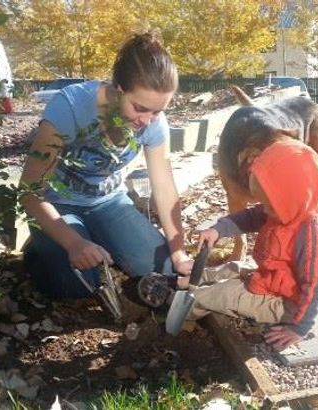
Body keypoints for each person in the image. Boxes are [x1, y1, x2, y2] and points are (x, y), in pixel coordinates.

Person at [21, 32, 193, 300]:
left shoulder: (154, 123)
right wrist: (73, 242)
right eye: (140, 108)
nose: (147, 120)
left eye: (158, 111)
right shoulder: (71, 107)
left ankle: (96, 237)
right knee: (78, 286)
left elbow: (165, 188)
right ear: (119, 89)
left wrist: (179, 249)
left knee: (167, 269)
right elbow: (29, 193)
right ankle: (40, 249)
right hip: (57, 205)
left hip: (109, 203)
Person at [194, 140, 318, 351]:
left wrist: (299, 328)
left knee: (226, 294)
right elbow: (251, 217)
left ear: (291, 198)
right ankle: (189, 279)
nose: (265, 211)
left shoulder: (314, 236)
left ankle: (180, 302)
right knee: (233, 268)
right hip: (277, 278)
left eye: (270, 206)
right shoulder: (292, 205)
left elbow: (316, 286)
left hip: (291, 301)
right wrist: (219, 230)